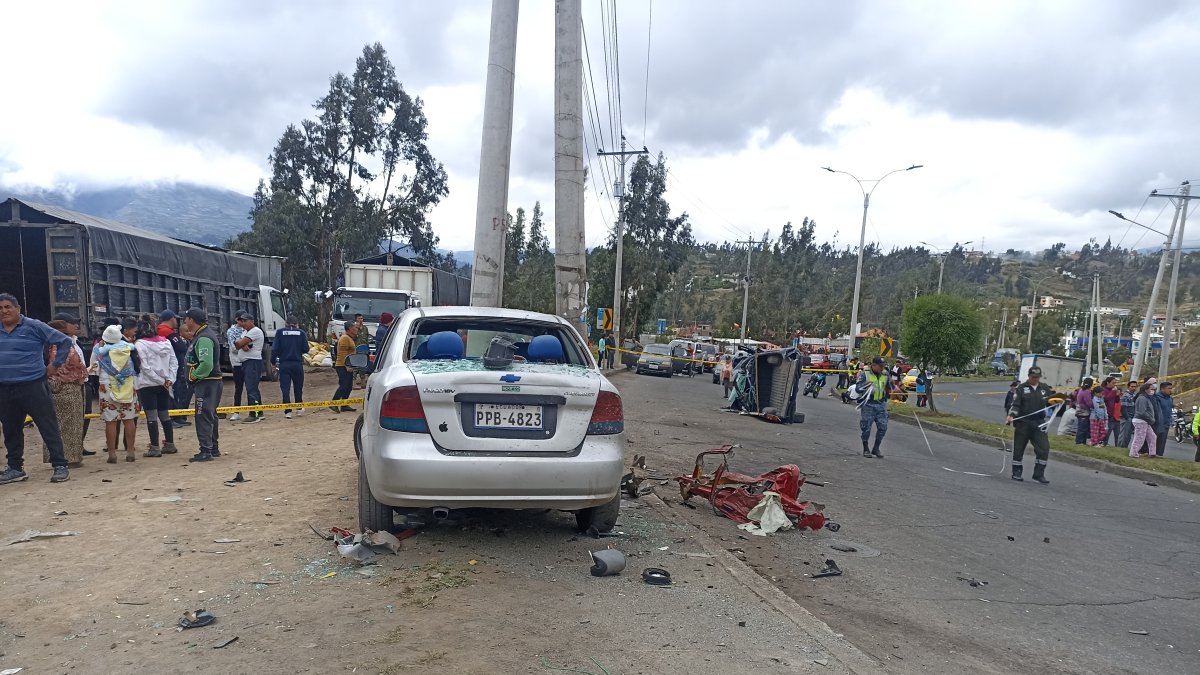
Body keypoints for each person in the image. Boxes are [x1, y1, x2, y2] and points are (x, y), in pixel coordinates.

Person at [0, 293, 73, 484]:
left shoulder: (34, 326)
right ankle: (15, 468)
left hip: (32, 385)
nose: (4, 311)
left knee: (47, 425)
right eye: (0, 308)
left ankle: (60, 465)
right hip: (5, 388)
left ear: (18, 309)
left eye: (8, 307)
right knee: (11, 430)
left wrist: (55, 365)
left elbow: (64, 341)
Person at [1005, 366, 1065, 484]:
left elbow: (1050, 403)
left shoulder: (1044, 388)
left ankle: (1039, 474)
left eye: (1037, 377)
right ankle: (1016, 472)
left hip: (1039, 423)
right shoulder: (1022, 388)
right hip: (1024, 423)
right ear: (1029, 376)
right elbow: (1016, 404)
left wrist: (1060, 402)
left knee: (1044, 448)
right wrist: (1011, 415)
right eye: (1033, 377)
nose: (1035, 379)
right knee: (1019, 448)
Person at [44, 317, 88, 467]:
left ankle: (55, 456)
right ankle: (70, 458)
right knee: (71, 424)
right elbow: (76, 366)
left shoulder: (48, 347)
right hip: (68, 388)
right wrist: (84, 373)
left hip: (53, 387)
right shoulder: (64, 348)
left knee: (56, 423)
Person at [95, 324, 141, 463]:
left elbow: (94, 368)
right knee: (129, 419)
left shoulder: (99, 350)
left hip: (107, 385)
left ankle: (112, 454)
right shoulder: (128, 347)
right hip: (127, 385)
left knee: (110, 421)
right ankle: (130, 452)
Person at [134, 316, 178, 457]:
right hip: (165, 384)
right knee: (165, 415)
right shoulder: (166, 342)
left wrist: (159, 380)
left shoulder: (139, 344)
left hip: (147, 384)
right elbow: (174, 362)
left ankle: (154, 447)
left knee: (151, 416)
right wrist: (170, 379)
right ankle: (170, 444)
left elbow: (144, 367)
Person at [184, 307, 223, 462]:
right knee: (210, 415)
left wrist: (194, 376)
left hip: (207, 383)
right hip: (210, 383)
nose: (185, 322)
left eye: (186, 319)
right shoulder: (202, 335)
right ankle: (213, 448)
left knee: (203, 415)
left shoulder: (204, 338)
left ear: (192, 320)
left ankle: (206, 451)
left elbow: (206, 364)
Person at [160, 310, 192, 428]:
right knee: (173, 393)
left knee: (176, 393)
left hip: (169, 367)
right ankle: (173, 418)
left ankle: (177, 417)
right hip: (172, 368)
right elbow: (181, 347)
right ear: (171, 318)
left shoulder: (161, 331)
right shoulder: (167, 332)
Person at [272, 315, 308, 419]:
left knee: (285, 388)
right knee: (298, 387)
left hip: (284, 364)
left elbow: (274, 349)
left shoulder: (279, 332)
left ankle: (287, 411)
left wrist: (273, 362)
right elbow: (306, 349)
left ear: (286, 323)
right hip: (297, 364)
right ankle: (299, 408)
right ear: (297, 324)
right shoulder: (301, 333)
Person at [857, 356, 894, 458]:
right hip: (868, 404)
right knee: (866, 428)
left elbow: (890, 388)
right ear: (873, 365)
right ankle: (866, 448)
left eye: (883, 366)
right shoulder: (865, 374)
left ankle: (876, 448)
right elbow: (858, 388)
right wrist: (865, 385)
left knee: (883, 427)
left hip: (881, 405)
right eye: (880, 366)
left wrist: (894, 389)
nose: (882, 368)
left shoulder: (885, 374)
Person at [235, 313, 266, 423]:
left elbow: (239, 343)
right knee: (253, 388)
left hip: (252, 362)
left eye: (245, 321)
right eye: (241, 321)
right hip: (247, 362)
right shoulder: (245, 332)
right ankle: (259, 412)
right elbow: (236, 343)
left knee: (251, 388)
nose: (243, 324)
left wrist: (241, 343)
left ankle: (254, 414)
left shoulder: (255, 331)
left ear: (251, 321)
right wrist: (242, 344)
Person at [330, 321, 359, 413]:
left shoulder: (349, 338)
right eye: (355, 327)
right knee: (343, 385)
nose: (356, 329)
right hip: (342, 366)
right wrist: (346, 365)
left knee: (348, 386)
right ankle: (333, 403)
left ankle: (344, 404)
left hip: (347, 365)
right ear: (349, 329)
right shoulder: (345, 338)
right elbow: (342, 354)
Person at [1129, 381, 1158, 459]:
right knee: (1139, 438)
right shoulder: (1142, 398)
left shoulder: (1146, 398)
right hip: (1140, 421)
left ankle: (1152, 453)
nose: (1153, 391)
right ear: (1146, 390)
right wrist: (1151, 418)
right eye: (1151, 389)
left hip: (1145, 421)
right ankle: (1133, 453)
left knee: (1152, 436)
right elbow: (1142, 412)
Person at [226, 319, 245, 422]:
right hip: (237, 362)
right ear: (237, 320)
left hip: (247, 361)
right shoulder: (231, 331)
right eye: (243, 320)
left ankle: (256, 411)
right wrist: (245, 346)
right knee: (238, 388)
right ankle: (236, 412)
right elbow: (234, 348)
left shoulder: (247, 330)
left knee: (252, 388)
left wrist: (242, 345)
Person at [1153, 381, 1174, 458]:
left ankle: (1160, 455)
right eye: (1168, 388)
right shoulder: (1157, 397)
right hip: (1157, 423)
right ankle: (1152, 454)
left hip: (1166, 423)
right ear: (1162, 389)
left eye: (1171, 388)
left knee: (1162, 441)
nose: (1170, 390)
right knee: (1155, 440)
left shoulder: (1170, 399)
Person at [1073, 377, 1094, 445]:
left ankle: (1081, 442)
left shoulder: (1081, 390)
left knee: (1082, 428)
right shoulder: (1087, 391)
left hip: (1079, 410)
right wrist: (1093, 406)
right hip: (1083, 412)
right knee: (1083, 428)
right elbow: (1089, 403)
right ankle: (1080, 442)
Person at [1100, 377, 1120, 446]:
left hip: (1111, 413)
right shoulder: (1104, 390)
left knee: (1109, 429)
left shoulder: (1113, 390)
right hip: (1104, 412)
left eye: (1115, 383)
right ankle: (1103, 442)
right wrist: (1112, 392)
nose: (1114, 384)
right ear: (1108, 383)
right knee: (1105, 430)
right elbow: (1106, 398)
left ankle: (1106, 442)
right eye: (1113, 383)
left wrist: (1117, 395)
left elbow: (1116, 401)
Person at [1118, 380, 1138, 448]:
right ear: (1128, 387)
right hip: (1126, 418)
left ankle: (1124, 447)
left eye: (1135, 387)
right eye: (1132, 386)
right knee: (1124, 434)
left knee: (1128, 435)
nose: (1134, 388)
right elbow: (1123, 408)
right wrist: (1127, 418)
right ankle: (1120, 447)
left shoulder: (1134, 395)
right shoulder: (1125, 395)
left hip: (1132, 417)